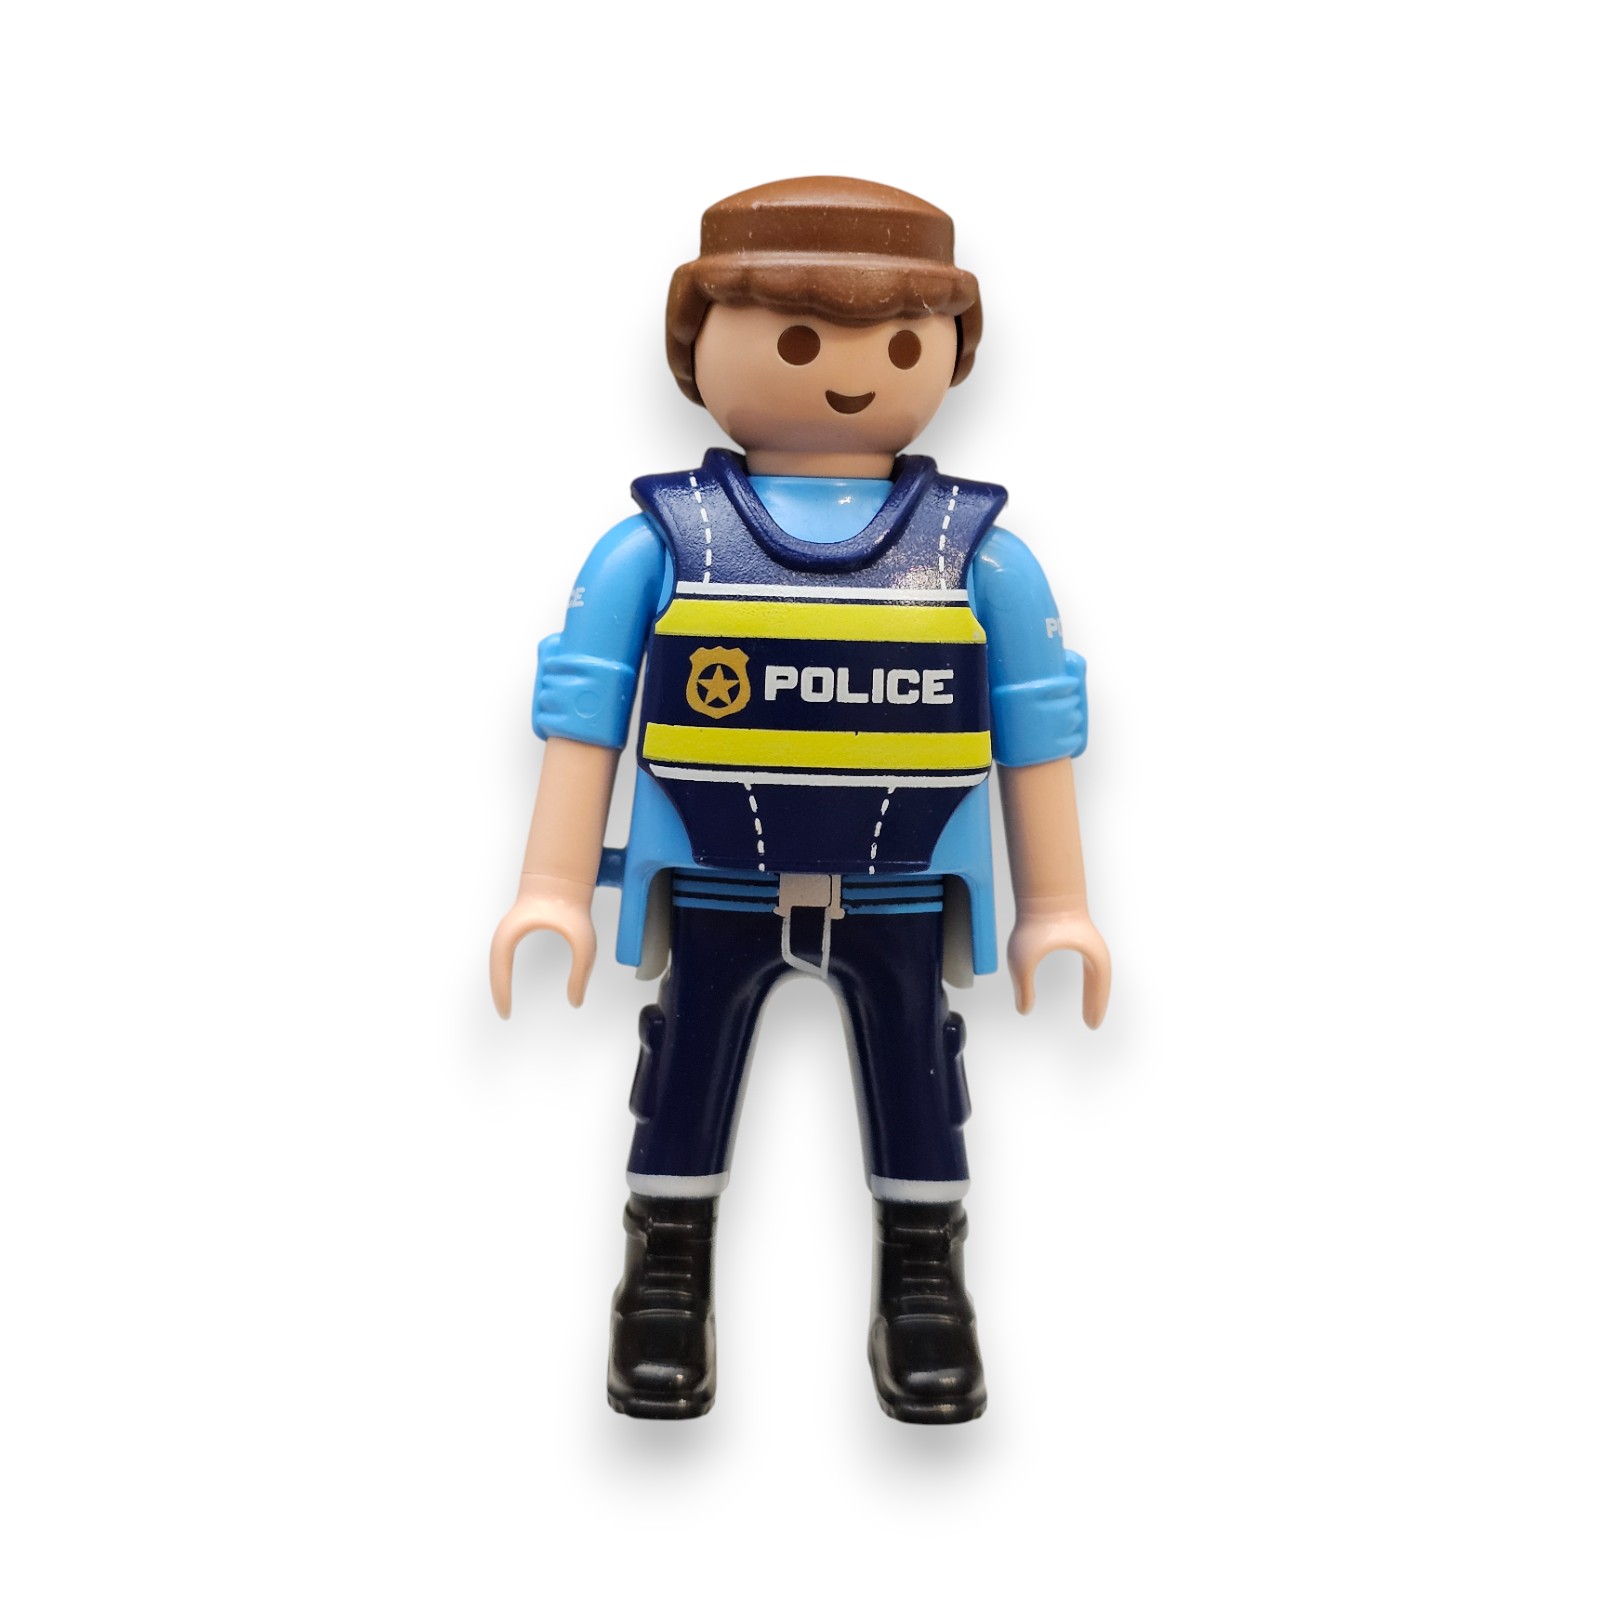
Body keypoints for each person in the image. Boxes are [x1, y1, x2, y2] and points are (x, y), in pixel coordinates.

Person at [491, 176, 1111, 1424]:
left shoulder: (976, 555)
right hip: (714, 878)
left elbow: (1035, 725)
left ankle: (923, 1279)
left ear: (947, 351)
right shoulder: (662, 543)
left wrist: (1057, 907)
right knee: (683, 1071)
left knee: (917, 1079)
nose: (848, 374)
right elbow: (586, 708)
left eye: (898, 344)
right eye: (795, 339)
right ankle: (664, 1271)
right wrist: (550, 885)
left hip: (901, 889)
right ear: (697, 341)